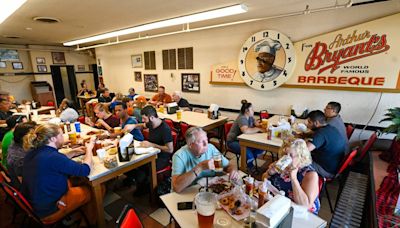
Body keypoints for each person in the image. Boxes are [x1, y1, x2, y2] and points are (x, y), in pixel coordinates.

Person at [21, 123, 96, 223]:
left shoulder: (33, 152)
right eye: (61, 135)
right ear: (52, 139)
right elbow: (85, 170)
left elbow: (53, 163)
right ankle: (88, 222)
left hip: (36, 204)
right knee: (94, 189)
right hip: (51, 209)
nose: (63, 138)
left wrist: (72, 153)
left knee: (77, 181)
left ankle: (78, 212)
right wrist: (89, 150)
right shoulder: (53, 157)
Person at [123, 106, 173, 195]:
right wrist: (133, 125)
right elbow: (142, 125)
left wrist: (153, 145)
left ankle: (146, 188)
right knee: (131, 161)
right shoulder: (151, 123)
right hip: (150, 152)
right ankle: (141, 184)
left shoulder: (165, 129)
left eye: (144, 118)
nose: (142, 120)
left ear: (152, 117)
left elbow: (170, 149)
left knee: (142, 166)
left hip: (162, 157)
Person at [172, 127, 238, 193]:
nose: (206, 144)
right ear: (190, 145)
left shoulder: (211, 149)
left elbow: (227, 166)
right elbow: (176, 187)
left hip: (209, 191)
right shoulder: (179, 156)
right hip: (188, 192)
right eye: (201, 141)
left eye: (206, 139)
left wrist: (232, 171)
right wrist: (200, 167)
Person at [262, 139, 320, 214]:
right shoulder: (281, 166)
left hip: (300, 214)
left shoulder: (310, 174)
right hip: (278, 206)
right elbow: (263, 180)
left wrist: (293, 178)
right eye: (285, 154)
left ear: (301, 157)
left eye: (291, 155)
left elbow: (305, 205)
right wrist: (269, 173)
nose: (286, 158)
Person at [306, 110, 346, 178]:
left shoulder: (321, 133)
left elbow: (303, 150)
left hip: (325, 170)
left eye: (309, 122)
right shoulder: (330, 128)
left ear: (316, 123)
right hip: (333, 166)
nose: (307, 125)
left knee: (296, 160)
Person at [227, 100, 265, 171]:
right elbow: (245, 130)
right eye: (252, 109)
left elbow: (256, 124)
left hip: (243, 140)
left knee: (261, 148)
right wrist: (258, 129)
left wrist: (260, 125)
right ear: (247, 111)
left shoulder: (250, 116)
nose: (253, 111)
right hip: (233, 141)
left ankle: (249, 160)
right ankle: (248, 166)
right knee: (248, 152)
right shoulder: (242, 118)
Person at [7, 121, 37, 188]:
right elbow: (28, 184)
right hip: (29, 190)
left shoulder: (15, 143)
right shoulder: (20, 158)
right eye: (34, 134)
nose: (37, 136)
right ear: (26, 137)